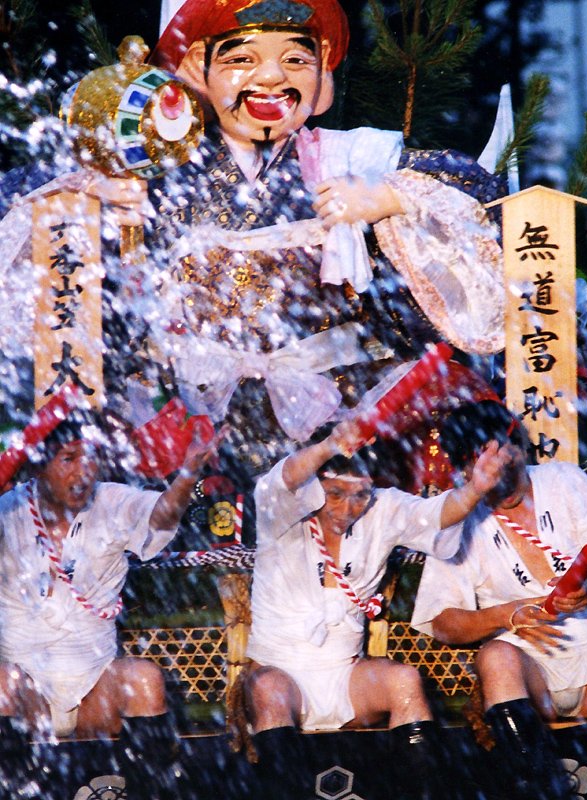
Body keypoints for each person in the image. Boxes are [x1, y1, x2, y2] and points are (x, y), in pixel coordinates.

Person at [0, 0, 506, 490]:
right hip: (190, 410)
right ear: (198, 68)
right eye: (242, 59)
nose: (271, 77)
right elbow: (18, 196)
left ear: (323, 67)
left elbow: (483, 192)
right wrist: (93, 194)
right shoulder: (161, 170)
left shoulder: (353, 158)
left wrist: (387, 196)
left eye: (296, 60)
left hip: (331, 404)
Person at [236, 413, 512, 800]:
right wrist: (329, 446)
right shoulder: (284, 509)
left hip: (345, 674)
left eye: (360, 495)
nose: (348, 508)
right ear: (315, 486)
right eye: (335, 494)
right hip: (278, 672)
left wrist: (475, 489)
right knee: (270, 689)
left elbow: (435, 516)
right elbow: (282, 479)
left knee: (404, 681)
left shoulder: (382, 508)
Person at [0, 407, 225, 799]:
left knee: (144, 680)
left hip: (94, 683)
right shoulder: (8, 511)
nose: (83, 472)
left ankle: (152, 792)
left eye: (91, 459)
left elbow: (161, 516)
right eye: (69, 459)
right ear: (38, 466)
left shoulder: (112, 500)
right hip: (27, 692)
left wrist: (189, 473)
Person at [411, 400, 587, 800]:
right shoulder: (459, 518)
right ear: (465, 471)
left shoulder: (565, 481)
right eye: (479, 464)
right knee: (496, 656)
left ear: (518, 444)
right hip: (530, 670)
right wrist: (506, 614)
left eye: (500, 456)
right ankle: (538, 790)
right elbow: (441, 622)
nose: (495, 473)